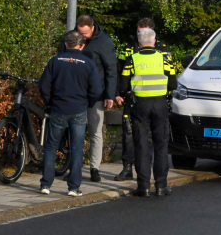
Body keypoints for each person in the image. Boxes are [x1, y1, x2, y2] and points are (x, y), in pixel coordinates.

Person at [39, 30, 102, 197]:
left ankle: (46, 184)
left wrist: (49, 102)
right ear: (82, 46)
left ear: (66, 44)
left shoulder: (55, 61)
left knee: (51, 147)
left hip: (58, 109)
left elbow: (44, 86)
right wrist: (87, 103)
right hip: (79, 109)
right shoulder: (88, 64)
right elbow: (96, 90)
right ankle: (73, 187)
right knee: (76, 148)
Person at [59, 15, 117, 182]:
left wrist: (109, 95)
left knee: (95, 131)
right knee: (75, 132)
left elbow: (111, 69)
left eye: (85, 33)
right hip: (74, 93)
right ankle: (74, 167)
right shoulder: (70, 38)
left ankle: (94, 168)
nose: (82, 37)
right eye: (80, 33)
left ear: (92, 28)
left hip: (95, 95)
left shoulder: (104, 42)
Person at [120, 28, 177, 197]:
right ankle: (161, 186)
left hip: (140, 106)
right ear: (154, 41)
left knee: (142, 145)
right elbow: (173, 84)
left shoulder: (132, 59)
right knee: (161, 145)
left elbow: (123, 86)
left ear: (139, 42)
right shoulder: (164, 59)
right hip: (160, 104)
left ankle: (143, 186)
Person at [114, 17, 170, 182]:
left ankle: (147, 179)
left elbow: (169, 77)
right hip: (132, 98)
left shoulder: (162, 50)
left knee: (151, 141)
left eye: (143, 32)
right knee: (128, 135)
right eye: (138, 32)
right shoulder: (128, 48)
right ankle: (127, 168)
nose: (140, 35)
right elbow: (119, 70)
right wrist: (117, 93)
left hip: (153, 100)